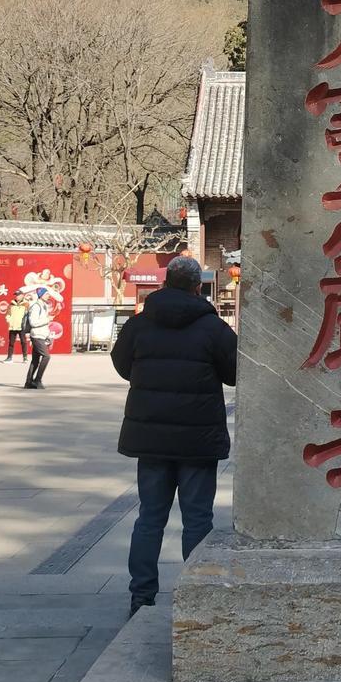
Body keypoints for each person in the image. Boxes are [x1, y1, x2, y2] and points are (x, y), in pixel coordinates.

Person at [111, 255, 236, 616]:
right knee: (197, 518)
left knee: (150, 516)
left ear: (165, 283)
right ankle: (197, 593)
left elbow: (122, 365)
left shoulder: (139, 324)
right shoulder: (213, 328)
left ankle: (141, 595)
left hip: (150, 438)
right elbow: (234, 373)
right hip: (197, 441)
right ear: (198, 287)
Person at [24, 290, 52, 389]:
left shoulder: (43, 306)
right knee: (46, 356)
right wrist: (47, 320)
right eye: (46, 294)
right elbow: (33, 322)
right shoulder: (36, 306)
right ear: (41, 295)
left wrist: (48, 336)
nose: (49, 295)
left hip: (41, 335)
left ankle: (28, 382)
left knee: (35, 360)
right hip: (37, 336)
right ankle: (37, 380)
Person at [5, 295, 29, 362]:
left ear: (22, 296)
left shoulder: (26, 304)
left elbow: (28, 314)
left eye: (19, 295)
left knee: (23, 342)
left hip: (21, 326)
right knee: (11, 343)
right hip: (13, 326)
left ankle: (25, 357)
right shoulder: (11, 304)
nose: (17, 297)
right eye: (16, 295)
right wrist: (9, 320)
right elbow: (8, 314)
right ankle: (9, 357)